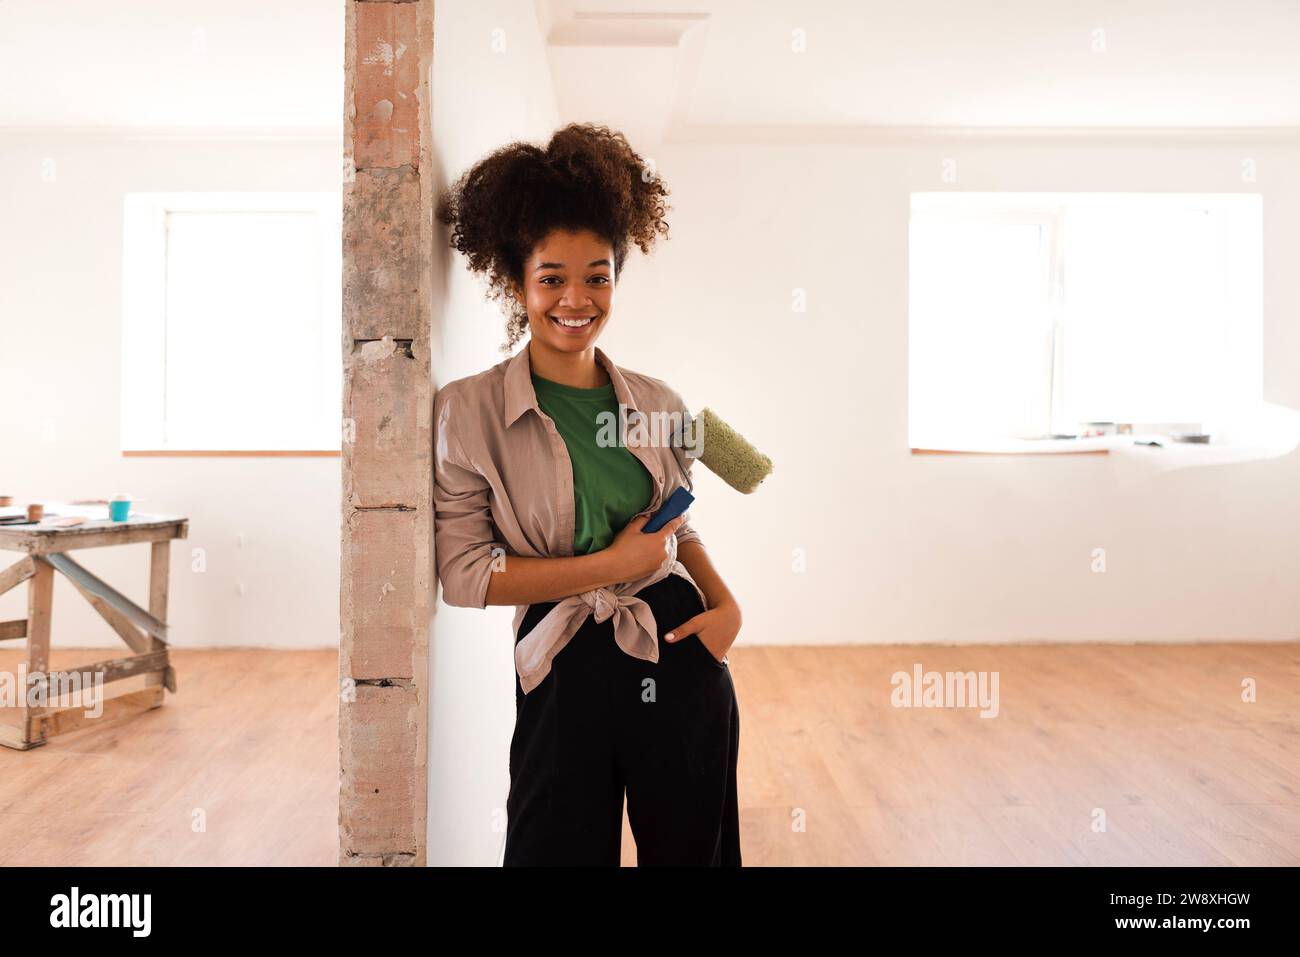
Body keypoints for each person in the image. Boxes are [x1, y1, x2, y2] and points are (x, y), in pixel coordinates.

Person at [433, 123, 743, 866]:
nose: (576, 298)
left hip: (675, 642)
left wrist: (724, 604)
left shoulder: (657, 398)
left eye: (597, 276)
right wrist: (610, 563)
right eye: (552, 277)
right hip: (561, 660)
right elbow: (467, 576)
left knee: (694, 851)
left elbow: (678, 519)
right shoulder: (469, 410)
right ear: (518, 281)